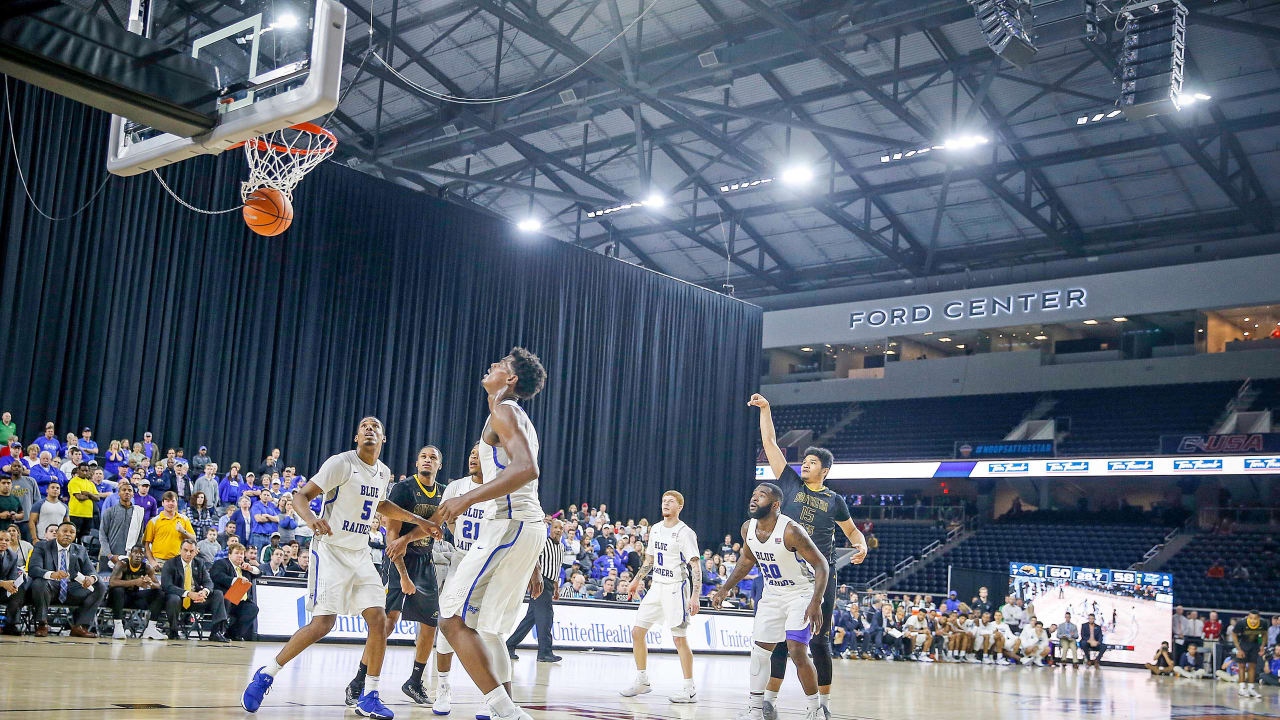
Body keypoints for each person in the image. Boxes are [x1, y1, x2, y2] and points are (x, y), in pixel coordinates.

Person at [241, 417, 435, 719]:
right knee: (323, 624)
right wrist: (311, 520)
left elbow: (382, 505)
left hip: (359, 554)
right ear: (356, 437)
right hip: (330, 551)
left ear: (384, 439)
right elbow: (301, 496)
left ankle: (369, 694)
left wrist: (419, 520)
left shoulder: (383, 472)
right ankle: (268, 673)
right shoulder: (341, 463)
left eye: (376, 427)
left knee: (379, 620)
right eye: (364, 427)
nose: (370, 429)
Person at [401, 348, 549, 720]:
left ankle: (506, 710)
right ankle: (504, 708)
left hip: (511, 523)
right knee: (488, 628)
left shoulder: (505, 410)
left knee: (450, 618)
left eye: (501, 365)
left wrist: (467, 497)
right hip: (523, 527)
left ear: (511, 379)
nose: (492, 366)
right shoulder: (510, 413)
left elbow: (527, 469)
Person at [749, 394, 866, 720]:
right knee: (780, 642)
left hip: (819, 577)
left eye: (813, 463)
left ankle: (822, 706)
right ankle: (769, 701)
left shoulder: (835, 500)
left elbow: (853, 532)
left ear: (825, 471)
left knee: (819, 642)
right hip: (784, 573)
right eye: (805, 461)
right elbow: (770, 442)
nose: (806, 464)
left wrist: (862, 545)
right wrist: (767, 409)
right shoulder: (789, 481)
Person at [712, 483, 828, 720]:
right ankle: (755, 711)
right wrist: (724, 589)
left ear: (775, 505)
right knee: (759, 652)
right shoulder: (748, 528)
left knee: (796, 651)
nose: (754, 499)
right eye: (753, 494)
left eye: (761, 496)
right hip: (773, 593)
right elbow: (746, 560)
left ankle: (815, 709)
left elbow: (821, 565)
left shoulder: (791, 531)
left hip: (801, 593)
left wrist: (815, 602)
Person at [347, 445, 448, 706]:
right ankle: (359, 680)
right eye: (424, 456)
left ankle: (415, 681)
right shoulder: (403, 489)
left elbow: (436, 529)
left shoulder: (443, 493)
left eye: (433, 457)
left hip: (425, 562)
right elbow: (392, 538)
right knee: (387, 623)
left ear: (439, 466)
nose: (428, 460)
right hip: (399, 563)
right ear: (417, 463)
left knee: (430, 625)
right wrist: (403, 575)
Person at [619, 490, 702, 702]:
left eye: (670, 501)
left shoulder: (685, 532)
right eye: (664, 501)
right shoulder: (655, 529)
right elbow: (649, 560)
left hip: (676, 587)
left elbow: (695, 566)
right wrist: (637, 580)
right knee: (638, 632)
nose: (665, 504)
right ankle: (642, 680)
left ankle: (689, 689)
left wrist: (695, 596)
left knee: (679, 638)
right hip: (657, 585)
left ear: (679, 507)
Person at [430, 444, 488, 716]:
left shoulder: (499, 490)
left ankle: (492, 695)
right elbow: (447, 521)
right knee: (446, 625)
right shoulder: (455, 488)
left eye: (479, 452)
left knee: (489, 633)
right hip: (460, 559)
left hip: (487, 566)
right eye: (471, 452)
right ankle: (442, 688)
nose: (473, 456)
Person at [27, 521, 106, 637]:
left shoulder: (80, 550)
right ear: (57, 533)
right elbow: (33, 569)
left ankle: (79, 626)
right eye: (65, 531)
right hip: (50, 588)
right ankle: (42, 624)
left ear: (75, 536)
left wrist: (91, 578)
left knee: (100, 586)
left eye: (72, 532)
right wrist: (52, 574)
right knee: (40, 582)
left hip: (72, 589)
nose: (68, 534)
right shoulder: (42, 546)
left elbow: (91, 571)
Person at [506, 517, 565, 663]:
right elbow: (531, 561)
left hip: (550, 584)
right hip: (540, 583)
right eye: (555, 527)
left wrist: (556, 588)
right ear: (550, 529)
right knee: (546, 618)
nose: (558, 530)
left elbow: (557, 569)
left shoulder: (561, 547)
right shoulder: (543, 543)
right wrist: (531, 582)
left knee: (530, 619)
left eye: (560, 528)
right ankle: (544, 653)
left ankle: (509, 645)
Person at [159, 539, 228, 641]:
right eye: (185, 550)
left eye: (191, 551)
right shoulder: (170, 563)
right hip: (178, 599)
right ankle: (173, 631)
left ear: (196, 552)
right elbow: (167, 586)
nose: (188, 553)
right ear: (180, 550)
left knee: (218, 594)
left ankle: (215, 632)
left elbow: (208, 582)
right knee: (174, 599)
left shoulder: (199, 563)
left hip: (196, 600)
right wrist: (188, 594)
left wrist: (204, 592)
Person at [106, 545, 164, 640]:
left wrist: (150, 583)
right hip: (116, 599)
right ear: (130, 554)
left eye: (141, 553)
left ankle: (151, 628)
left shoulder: (147, 568)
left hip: (133, 597)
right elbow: (112, 582)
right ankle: (118, 627)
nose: (138, 555)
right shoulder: (122, 564)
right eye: (135, 552)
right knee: (118, 589)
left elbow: (158, 585)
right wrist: (135, 582)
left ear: (144, 556)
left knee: (159, 593)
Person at [211, 543, 261, 641]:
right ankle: (216, 633)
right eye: (236, 553)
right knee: (226, 601)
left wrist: (250, 568)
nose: (239, 555)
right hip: (225, 598)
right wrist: (235, 580)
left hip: (240, 600)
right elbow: (217, 576)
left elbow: (259, 573)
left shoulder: (244, 567)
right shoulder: (222, 563)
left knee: (252, 608)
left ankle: (233, 634)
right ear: (230, 555)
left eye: (242, 554)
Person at [145, 492, 196, 570]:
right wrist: (152, 561)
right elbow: (146, 545)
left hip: (178, 561)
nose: (170, 503)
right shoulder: (154, 521)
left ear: (177, 503)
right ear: (162, 503)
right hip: (158, 561)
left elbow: (193, 539)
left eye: (173, 501)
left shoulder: (184, 519)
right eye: (167, 501)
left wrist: (183, 531)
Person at [0, 529, 27, 635]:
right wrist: (3, 583)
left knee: (19, 589)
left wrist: (13, 584)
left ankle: (11, 624)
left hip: (3, 590)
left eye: (7, 540)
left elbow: (12, 575)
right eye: (0, 539)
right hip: (2, 585)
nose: (3, 542)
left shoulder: (12, 555)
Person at [1234, 609, 1267, 697]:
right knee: (1242, 666)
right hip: (1243, 646)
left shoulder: (1263, 623)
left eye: (1255, 618)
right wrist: (1238, 649)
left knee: (1252, 667)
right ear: (1248, 617)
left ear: (1259, 618)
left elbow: (1264, 634)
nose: (1253, 621)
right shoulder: (1241, 623)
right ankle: (1242, 689)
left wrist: (1262, 646)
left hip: (1255, 646)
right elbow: (1234, 634)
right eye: (1251, 618)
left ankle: (1251, 689)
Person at [28, 483, 68, 550]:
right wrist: (34, 538)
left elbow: (67, 524)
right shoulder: (39, 504)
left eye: (57, 488)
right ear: (47, 490)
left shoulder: (64, 506)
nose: (55, 489)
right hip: (42, 539)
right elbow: (32, 521)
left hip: (58, 540)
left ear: (60, 491)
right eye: (52, 487)